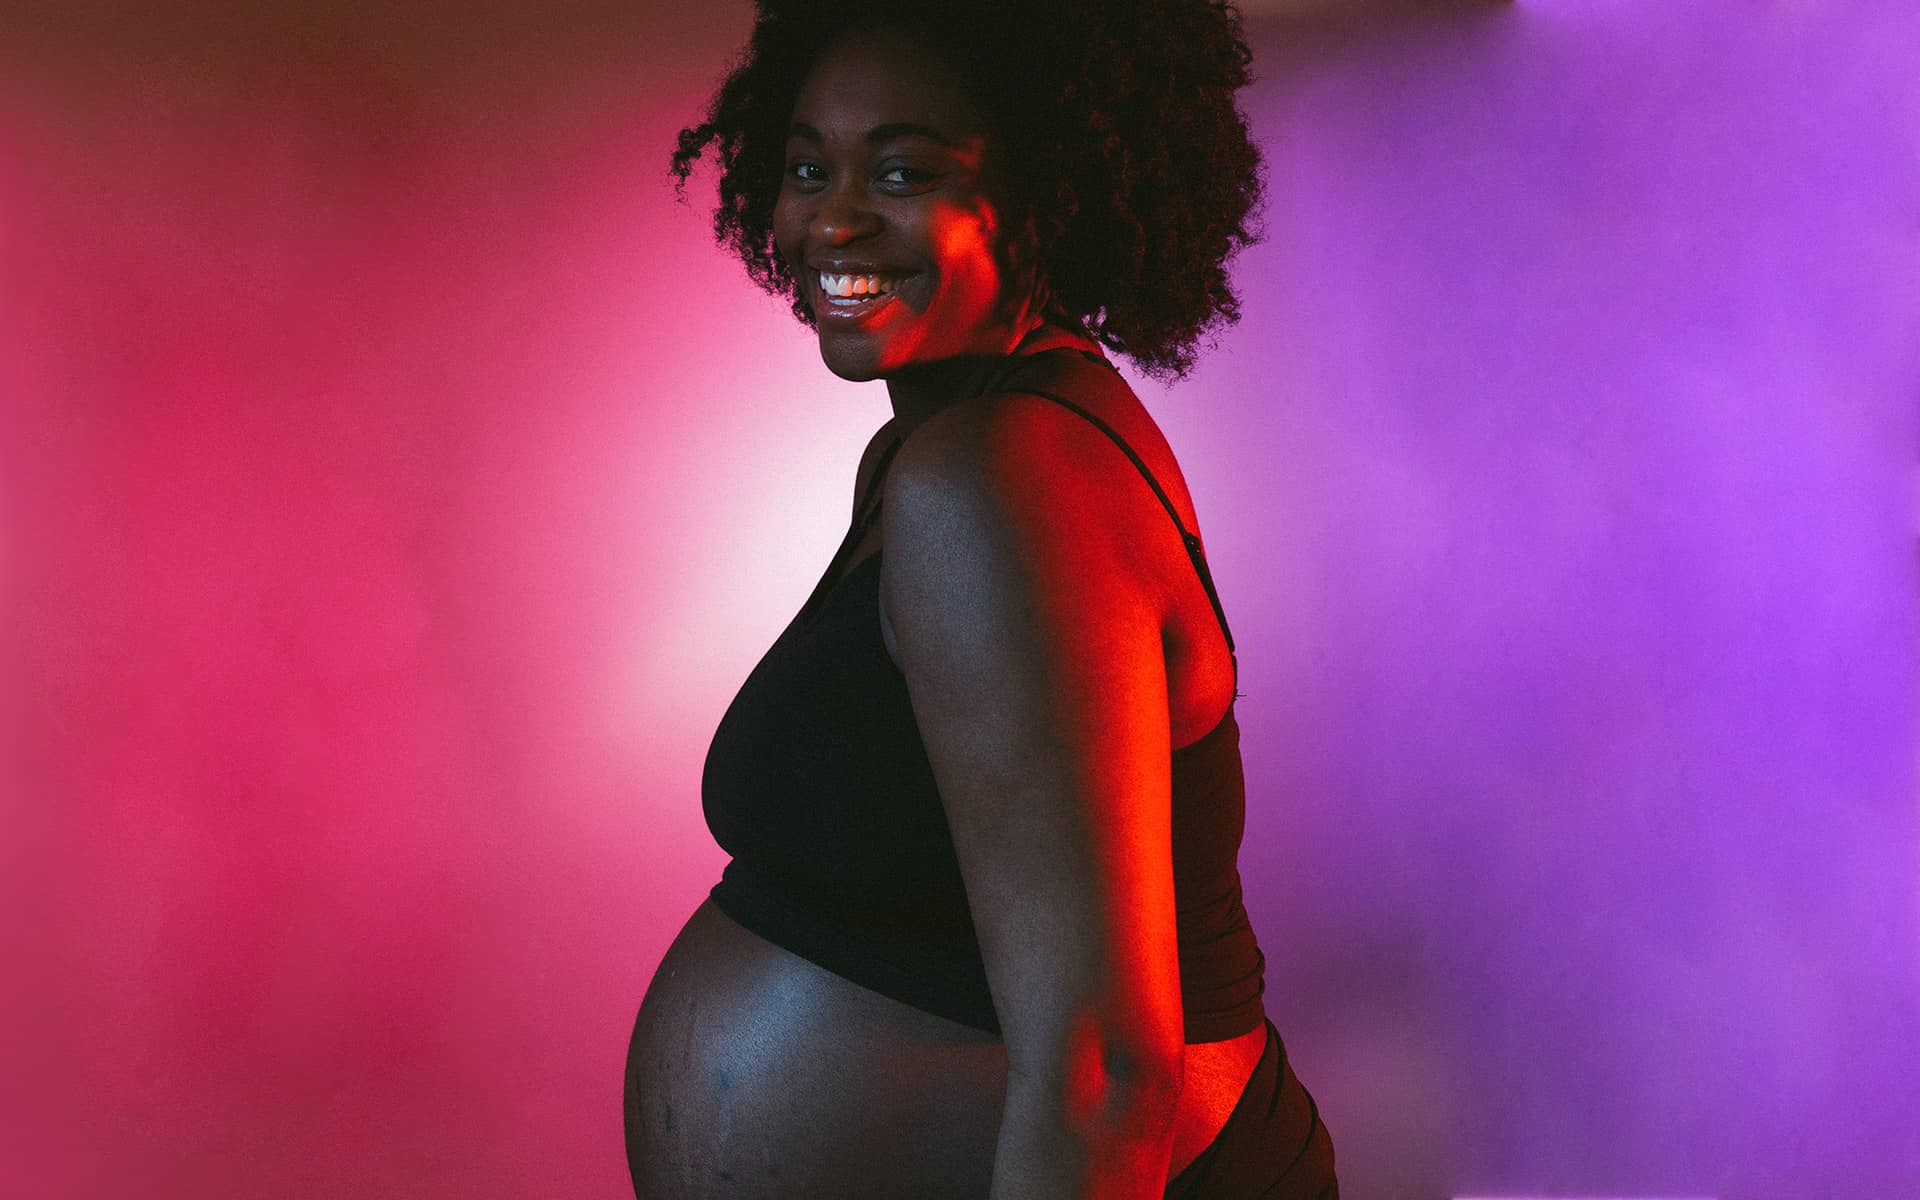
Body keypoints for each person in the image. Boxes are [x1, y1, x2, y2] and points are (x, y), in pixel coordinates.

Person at [624, 1, 1337, 1195]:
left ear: (1049, 188)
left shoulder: (1002, 480)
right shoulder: (954, 450)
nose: (833, 218)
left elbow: (1104, 1070)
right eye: (810, 167)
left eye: (901, 171)